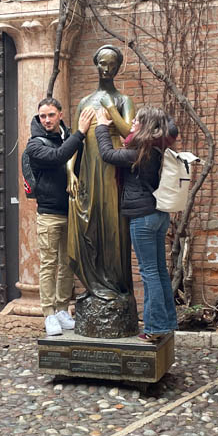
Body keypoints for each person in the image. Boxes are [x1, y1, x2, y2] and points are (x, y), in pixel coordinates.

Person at [67, 45, 138, 337]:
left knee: (113, 229)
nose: (107, 69)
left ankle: (115, 285)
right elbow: (77, 140)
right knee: (89, 226)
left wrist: (110, 108)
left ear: (118, 68)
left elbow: (128, 134)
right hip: (88, 172)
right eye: (102, 63)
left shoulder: (123, 100)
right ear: (95, 64)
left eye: (112, 65)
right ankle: (94, 285)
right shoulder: (85, 101)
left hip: (113, 173)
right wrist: (70, 170)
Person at [96, 105, 179, 341]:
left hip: (143, 217)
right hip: (159, 215)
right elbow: (166, 126)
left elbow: (107, 155)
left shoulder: (140, 152)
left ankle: (153, 328)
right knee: (160, 271)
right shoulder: (157, 147)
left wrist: (102, 126)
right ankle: (166, 323)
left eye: (136, 121)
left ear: (146, 125)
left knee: (150, 272)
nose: (131, 123)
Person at [25, 98, 95, 336]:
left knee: (67, 264)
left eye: (51, 115)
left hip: (71, 211)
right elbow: (58, 157)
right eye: (43, 116)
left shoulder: (68, 136)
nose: (47, 120)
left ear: (60, 114)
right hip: (49, 213)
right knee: (48, 265)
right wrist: (81, 133)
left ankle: (63, 309)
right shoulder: (35, 144)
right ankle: (49, 314)